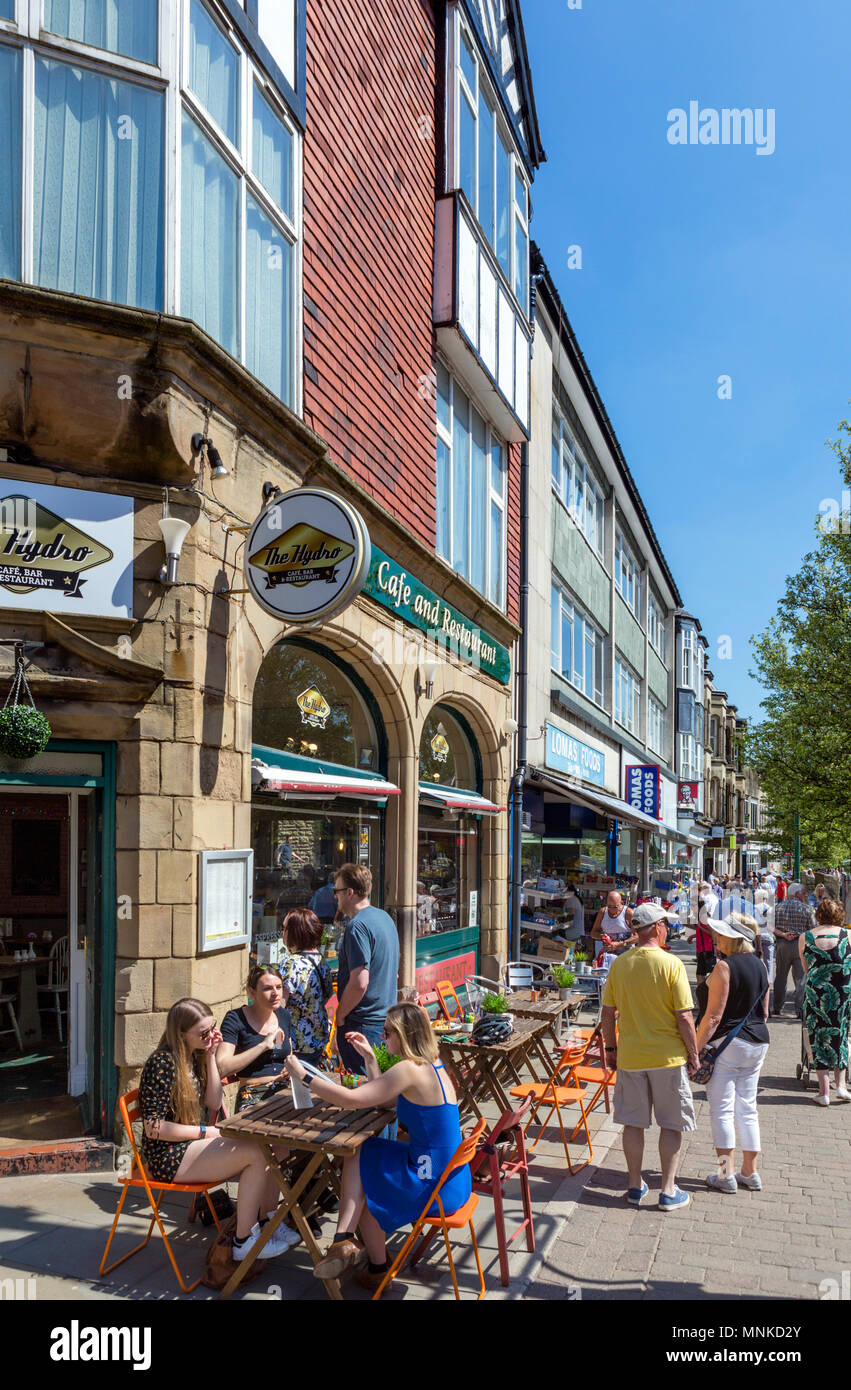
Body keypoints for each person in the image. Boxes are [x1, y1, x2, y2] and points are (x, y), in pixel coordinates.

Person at [284, 1002, 469, 1292]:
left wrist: (305, 1076)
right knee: (363, 1154)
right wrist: (371, 1060)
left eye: (387, 1032)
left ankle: (344, 1241)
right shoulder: (432, 1064)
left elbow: (352, 1100)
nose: (383, 1038)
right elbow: (383, 1100)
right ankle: (368, 1260)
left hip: (432, 1182)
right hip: (450, 1177)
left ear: (405, 1034)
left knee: (360, 1153)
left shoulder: (409, 1069)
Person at [139, 997, 299, 1260]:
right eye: (203, 1033)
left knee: (262, 1148)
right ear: (181, 1034)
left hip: (189, 1146)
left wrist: (211, 1056)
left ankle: (262, 1225)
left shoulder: (197, 1055)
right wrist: (205, 1132)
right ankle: (245, 1240)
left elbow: (213, 1101)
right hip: (167, 1155)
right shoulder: (162, 1063)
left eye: (213, 1028)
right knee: (256, 1154)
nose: (211, 1035)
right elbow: (153, 1129)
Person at [601, 903, 698, 1212]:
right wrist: (694, 1054)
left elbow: (607, 1013)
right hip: (667, 1057)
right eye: (665, 924)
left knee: (633, 1124)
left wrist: (611, 1049)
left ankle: (633, 1185)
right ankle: (668, 1191)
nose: (667, 929)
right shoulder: (672, 964)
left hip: (631, 1056)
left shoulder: (620, 964)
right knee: (671, 1125)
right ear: (656, 928)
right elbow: (684, 1017)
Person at [695, 915, 770, 1193]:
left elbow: (713, 1017)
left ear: (735, 939)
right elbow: (763, 1010)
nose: (717, 938)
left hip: (728, 1043)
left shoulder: (724, 967)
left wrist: (695, 1049)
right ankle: (750, 1172)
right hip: (757, 1041)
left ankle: (726, 1175)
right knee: (747, 1108)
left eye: (722, 934)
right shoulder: (761, 966)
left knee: (722, 1110)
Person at [333, 863, 400, 1076]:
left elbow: (360, 982)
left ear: (349, 893)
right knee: (383, 1088)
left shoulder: (357, 926)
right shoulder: (384, 918)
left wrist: (340, 1015)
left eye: (337, 891)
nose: (336, 897)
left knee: (367, 1093)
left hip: (363, 1023)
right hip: (385, 1020)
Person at [217, 966, 293, 1112]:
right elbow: (222, 1067)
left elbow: (287, 1054)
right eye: (267, 988)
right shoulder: (235, 1019)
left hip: (285, 1089)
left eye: (279, 987)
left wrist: (290, 1068)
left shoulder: (283, 1015)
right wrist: (263, 1045)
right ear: (252, 992)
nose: (275, 993)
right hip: (253, 1093)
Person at [799, 897, 851, 1105]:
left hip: (816, 996)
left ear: (818, 914)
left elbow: (806, 969)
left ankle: (823, 1093)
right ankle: (841, 1086)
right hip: (843, 994)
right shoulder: (848, 935)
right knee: (841, 1035)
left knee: (818, 1038)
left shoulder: (806, 937)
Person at [278, 907, 333, 1065]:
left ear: (295, 932)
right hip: (317, 1039)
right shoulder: (321, 961)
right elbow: (327, 994)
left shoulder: (291, 963)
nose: (282, 933)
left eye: (284, 928)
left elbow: (279, 1005)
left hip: (296, 1043)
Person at [772, 883, 815, 1017]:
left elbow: (770, 927)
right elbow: (812, 929)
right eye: (802, 892)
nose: (804, 895)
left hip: (783, 943)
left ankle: (777, 1007)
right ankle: (800, 1010)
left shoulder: (777, 908)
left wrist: (783, 934)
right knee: (800, 978)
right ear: (797, 894)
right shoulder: (806, 909)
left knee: (780, 977)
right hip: (800, 944)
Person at [591, 891, 636, 960]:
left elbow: (638, 936)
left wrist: (620, 944)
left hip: (626, 957)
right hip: (608, 958)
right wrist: (602, 936)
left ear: (621, 903)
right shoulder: (602, 912)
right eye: (609, 906)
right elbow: (593, 933)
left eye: (615, 907)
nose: (612, 910)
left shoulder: (628, 913)